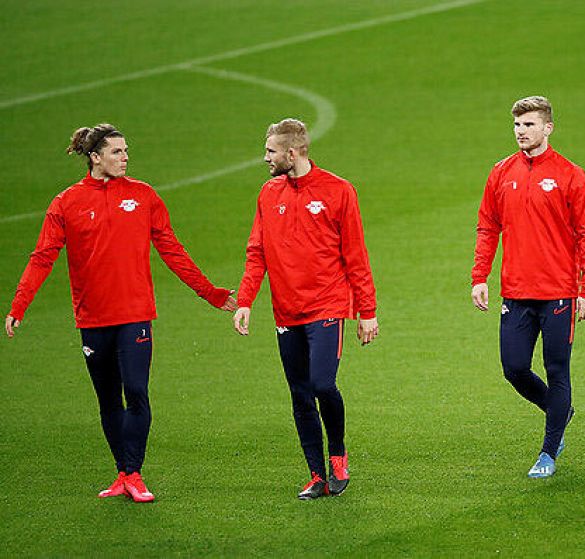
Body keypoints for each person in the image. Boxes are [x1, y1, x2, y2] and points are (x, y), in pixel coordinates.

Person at [5, 124, 237, 502]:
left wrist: (210, 294)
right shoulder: (66, 203)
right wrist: (20, 304)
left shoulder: (143, 196)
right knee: (109, 400)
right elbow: (43, 257)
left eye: (126, 151)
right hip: (92, 319)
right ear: (95, 157)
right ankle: (123, 472)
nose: (125, 157)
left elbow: (172, 250)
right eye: (117, 152)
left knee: (136, 391)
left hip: (134, 315)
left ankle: (134, 472)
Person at [233, 118, 378, 500]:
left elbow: (356, 256)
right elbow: (256, 252)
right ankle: (316, 475)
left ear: (291, 153)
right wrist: (246, 300)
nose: (265, 158)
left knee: (322, 385)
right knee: (300, 395)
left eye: (270, 152)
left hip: (327, 305)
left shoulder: (338, 191)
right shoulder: (268, 194)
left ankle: (338, 455)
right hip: (286, 311)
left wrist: (367, 311)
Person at [471, 96, 585, 478]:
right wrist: (480, 277)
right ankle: (560, 412)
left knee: (557, 369)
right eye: (517, 126)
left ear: (548, 128)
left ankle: (548, 452)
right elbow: (487, 227)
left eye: (529, 125)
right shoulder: (500, 172)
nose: (521, 132)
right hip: (515, 291)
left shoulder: (569, 174)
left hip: (559, 293)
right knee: (513, 368)